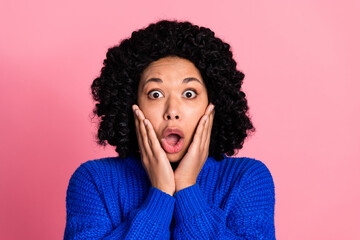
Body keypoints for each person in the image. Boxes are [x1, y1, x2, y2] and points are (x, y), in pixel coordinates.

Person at [64, 20, 276, 239]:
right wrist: (161, 194)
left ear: (212, 105)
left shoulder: (246, 178)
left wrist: (187, 189)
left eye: (189, 93)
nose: (172, 111)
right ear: (132, 105)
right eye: (155, 94)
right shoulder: (94, 181)